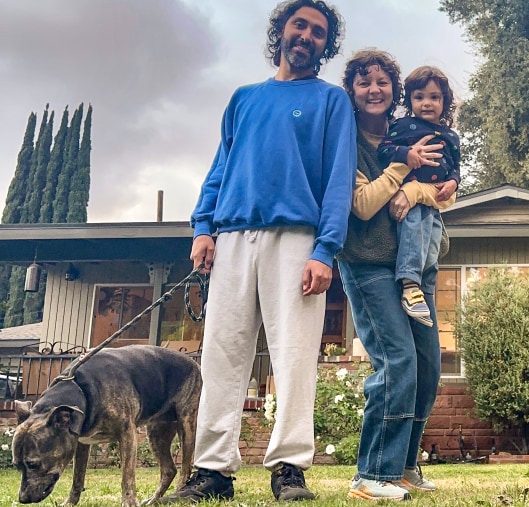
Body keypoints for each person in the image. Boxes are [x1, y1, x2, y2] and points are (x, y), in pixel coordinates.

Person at [160, 0, 355, 503]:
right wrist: (203, 227)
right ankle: (213, 470)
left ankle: (289, 468)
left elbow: (337, 182)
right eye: (300, 25)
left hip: (298, 239)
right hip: (231, 238)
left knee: (293, 357)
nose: (307, 35)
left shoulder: (332, 102)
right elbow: (219, 169)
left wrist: (325, 249)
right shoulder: (243, 99)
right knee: (222, 353)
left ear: (324, 44)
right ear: (282, 32)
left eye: (318, 31)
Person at [338, 49, 450, 502]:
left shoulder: (412, 131)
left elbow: (441, 193)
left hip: (414, 268)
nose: (374, 90)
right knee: (397, 359)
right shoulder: (344, 140)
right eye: (364, 83)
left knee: (427, 365)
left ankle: (404, 467)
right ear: (353, 90)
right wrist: (405, 166)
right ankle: (370, 474)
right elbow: (362, 205)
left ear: (394, 90)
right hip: (366, 264)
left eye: (382, 82)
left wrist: (418, 189)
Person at [377, 66, 460, 325]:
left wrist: (454, 184)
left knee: (433, 245)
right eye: (419, 97)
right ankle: (409, 284)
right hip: (411, 198)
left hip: (433, 201)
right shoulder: (403, 126)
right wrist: (407, 155)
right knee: (413, 233)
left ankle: (424, 289)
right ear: (410, 99)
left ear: (444, 102)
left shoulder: (451, 136)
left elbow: (456, 168)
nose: (427, 103)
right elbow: (384, 150)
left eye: (434, 97)